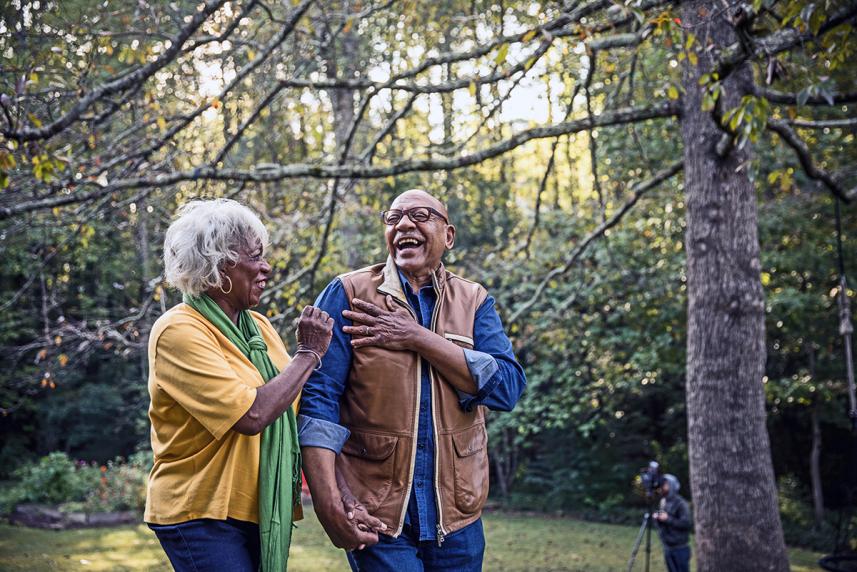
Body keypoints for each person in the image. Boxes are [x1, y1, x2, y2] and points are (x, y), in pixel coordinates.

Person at [298, 189, 527, 571]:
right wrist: (329, 502)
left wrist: (416, 336)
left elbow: (506, 387)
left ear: (448, 235)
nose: (404, 224)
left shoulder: (474, 301)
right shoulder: (348, 294)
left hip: (458, 519)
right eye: (393, 218)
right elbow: (318, 403)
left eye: (420, 215)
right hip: (377, 514)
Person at [144, 198, 333, 572]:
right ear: (217, 265)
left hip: (256, 505)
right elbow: (252, 413)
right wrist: (308, 355)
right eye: (255, 256)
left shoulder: (258, 330)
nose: (266, 267)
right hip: (199, 510)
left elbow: (296, 400)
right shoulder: (178, 330)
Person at [654, 474, 692, 572]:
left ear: (672, 485)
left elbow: (686, 524)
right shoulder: (663, 502)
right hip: (668, 547)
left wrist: (667, 519)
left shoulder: (681, 503)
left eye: (665, 484)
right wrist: (657, 519)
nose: (662, 486)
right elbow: (662, 525)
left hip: (680, 548)